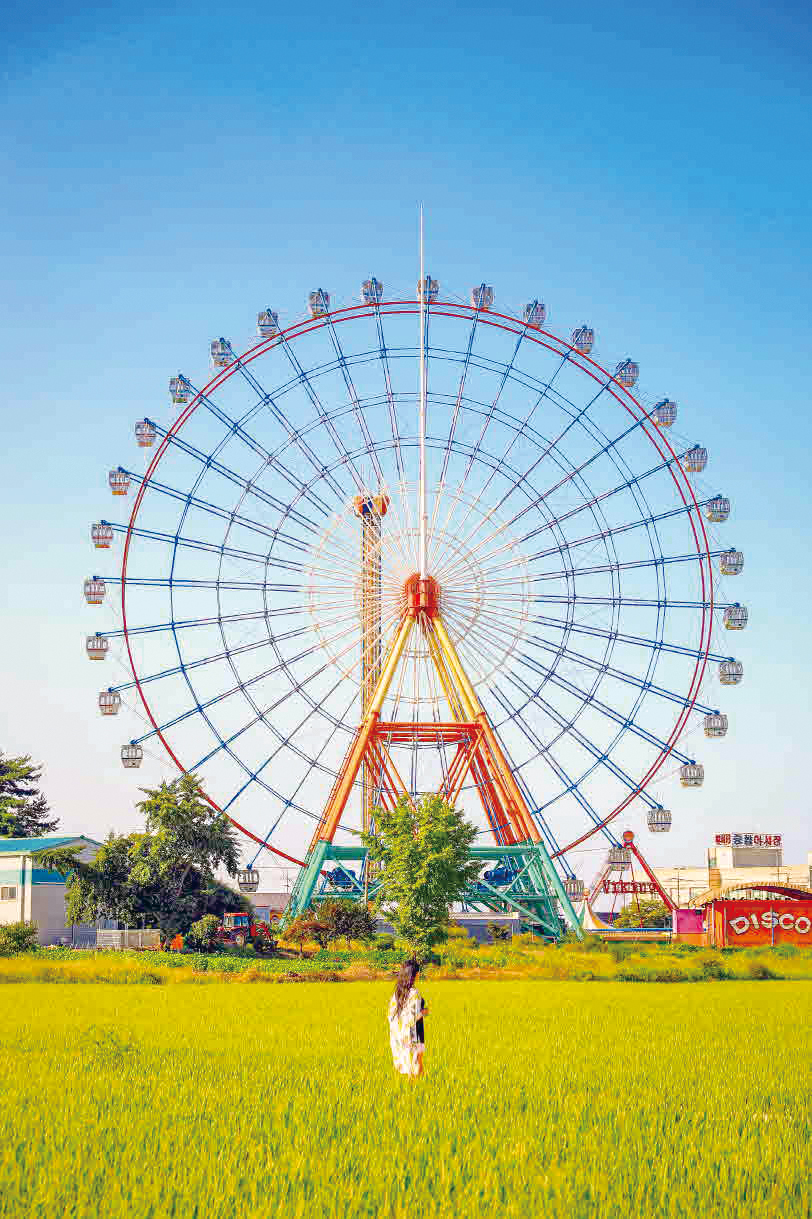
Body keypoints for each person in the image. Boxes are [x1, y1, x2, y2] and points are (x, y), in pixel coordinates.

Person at [388, 959, 428, 1078]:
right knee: (416, 1066)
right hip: (415, 1034)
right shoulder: (414, 993)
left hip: (400, 1034)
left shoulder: (397, 993)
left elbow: (391, 1015)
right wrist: (424, 1012)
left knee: (409, 1065)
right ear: (415, 975)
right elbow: (413, 1017)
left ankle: (414, 1090)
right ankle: (415, 1091)